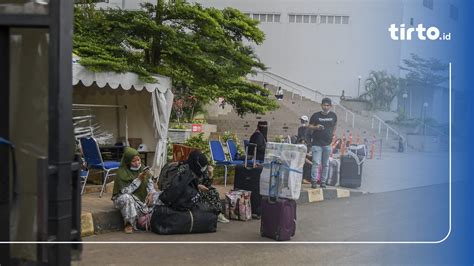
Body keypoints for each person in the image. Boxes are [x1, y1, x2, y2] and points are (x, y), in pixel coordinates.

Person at [112, 147, 161, 234]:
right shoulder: (122, 172)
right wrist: (138, 180)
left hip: (141, 201)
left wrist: (151, 193)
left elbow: (150, 185)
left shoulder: (143, 169)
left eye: (138, 160)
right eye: (133, 161)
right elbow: (125, 191)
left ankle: (156, 218)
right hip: (127, 199)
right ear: (128, 162)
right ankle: (128, 224)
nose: (137, 163)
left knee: (160, 195)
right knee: (127, 198)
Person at [189, 151, 230, 223]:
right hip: (189, 193)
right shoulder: (187, 170)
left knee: (212, 190)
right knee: (206, 194)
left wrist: (210, 175)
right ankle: (214, 213)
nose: (204, 168)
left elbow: (207, 184)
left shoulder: (201, 169)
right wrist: (197, 186)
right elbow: (184, 185)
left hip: (199, 190)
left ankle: (217, 213)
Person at [307, 98, 337, 189]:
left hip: (327, 144)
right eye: (324, 105)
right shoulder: (316, 115)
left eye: (328, 105)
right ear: (321, 105)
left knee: (326, 164)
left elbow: (335, 125)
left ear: (330, 106)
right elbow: (309, 126)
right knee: (316, 163)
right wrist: (316, 127)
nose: (326, 107)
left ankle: (323, 182)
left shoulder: (333, 115)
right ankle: (314, 181)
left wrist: (333, 134)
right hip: (316, 143)